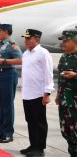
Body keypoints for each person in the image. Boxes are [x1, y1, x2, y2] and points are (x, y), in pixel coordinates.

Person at [20, 29, 54, 156]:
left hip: (38, 94)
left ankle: (39, 149)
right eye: (25, 38)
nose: (26, 40)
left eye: (29, 38)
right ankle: (33, 145)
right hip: (27, 93)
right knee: (30, 120)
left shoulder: (43, 53)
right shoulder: (26, 53)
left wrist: (47, 93)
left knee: (39, 122)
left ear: (37, 39)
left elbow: (48, 73)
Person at [0, 23, 22, 143]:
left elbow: (20, 60)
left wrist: (5, 61)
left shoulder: (12, 44)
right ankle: (1, 130)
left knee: (7, 105)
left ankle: (8, 133)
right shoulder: (1, 44)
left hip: (8, 75)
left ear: (5, 31)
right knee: (0, 104)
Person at [55, 28, 77, 157]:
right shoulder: (64, 57)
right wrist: (58, 94)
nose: (63, 43)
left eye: (66, 41)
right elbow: (60, 77)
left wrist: (75, 75)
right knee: (66, 131)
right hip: (65, 100)